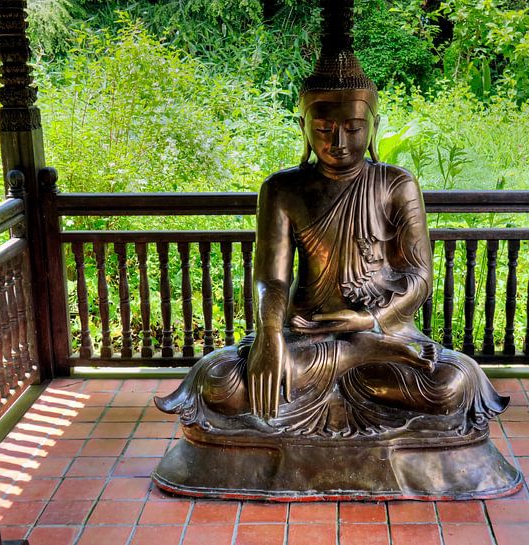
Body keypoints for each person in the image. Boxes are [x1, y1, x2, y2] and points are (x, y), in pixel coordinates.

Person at [155, 8, 507, 440]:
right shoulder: (282, 189)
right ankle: (355, 356)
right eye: (323, 128)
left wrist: (369, 321)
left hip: (383, 330)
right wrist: (270, 337)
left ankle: (361, 352)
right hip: (305, 333)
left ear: (373, 127)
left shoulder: (396, 184)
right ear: (303, 128)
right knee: (219, 383)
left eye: (353, 128)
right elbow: (272, 278)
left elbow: (419, 277)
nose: (338, 142)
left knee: (450, 385)